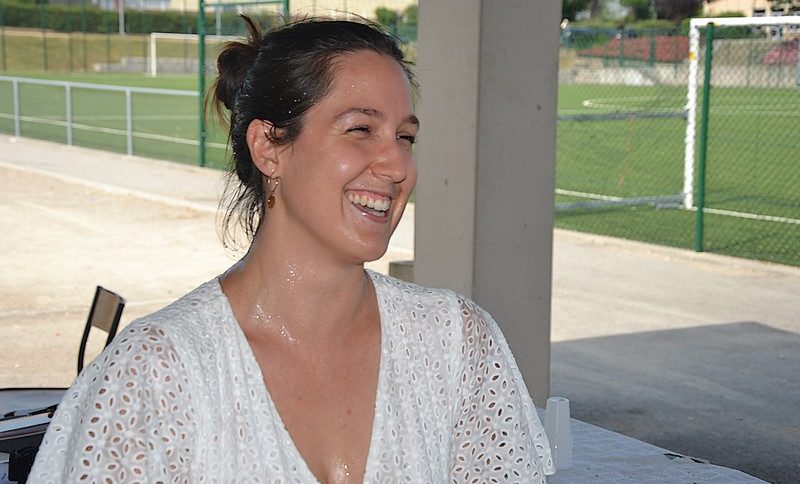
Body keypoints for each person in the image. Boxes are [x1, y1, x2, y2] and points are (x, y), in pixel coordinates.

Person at [30, 17, 554, 483]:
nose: (397, 166)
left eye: (405, 137)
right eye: (361, 130)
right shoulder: (154, 374)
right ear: (269, 148)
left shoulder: (458, 346)